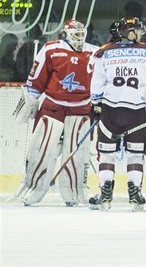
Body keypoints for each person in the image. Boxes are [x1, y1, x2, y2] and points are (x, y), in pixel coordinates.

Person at [13, 19, 99, 206]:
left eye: (81, 33)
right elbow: (36, 78)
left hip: (81, 108)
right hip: (53, 107)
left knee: (78, 153)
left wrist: (99, 102)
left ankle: (75, 191)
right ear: (66, 34)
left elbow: (100, 81)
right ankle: (33, 187)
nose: (79, 37)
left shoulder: (94, 52)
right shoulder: (51, 49)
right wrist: (31, 100)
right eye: (75, 34)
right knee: (41, 149)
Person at [88, 17, 146, 211]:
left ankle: (105, 194)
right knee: (135, 155)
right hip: (136, 111)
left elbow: (97, 83)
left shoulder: (103, 52)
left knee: (107, 154)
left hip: (110, 110)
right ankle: (135, 195)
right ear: (129, 32)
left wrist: (96, 104)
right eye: (138, 31)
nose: (141, 34)